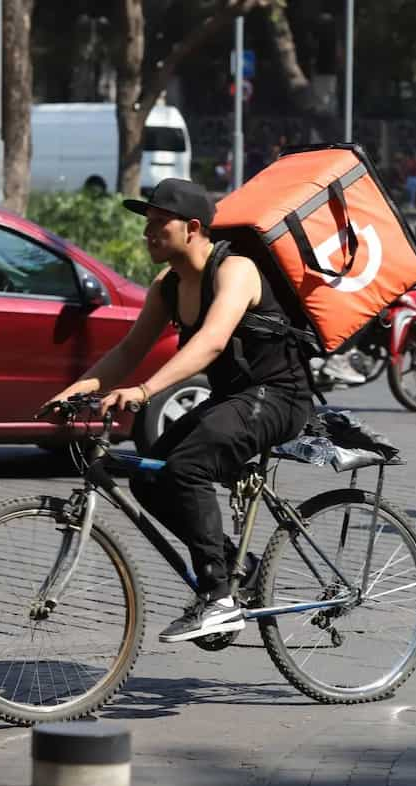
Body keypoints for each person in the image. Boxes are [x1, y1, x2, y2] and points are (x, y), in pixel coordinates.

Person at [42, 178, 313, 642]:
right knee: (149, 477)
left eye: (157, 224)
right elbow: (128, 351)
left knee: (187, 467)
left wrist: (145, 392)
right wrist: (72, 392)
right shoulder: (168, 286)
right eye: (145, 224)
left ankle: (219, 598)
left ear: (192, 228)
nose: (147, 233)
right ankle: (233, 568)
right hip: (234, 399)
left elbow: (210, 343)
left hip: (279, 395)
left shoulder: (236, 270)